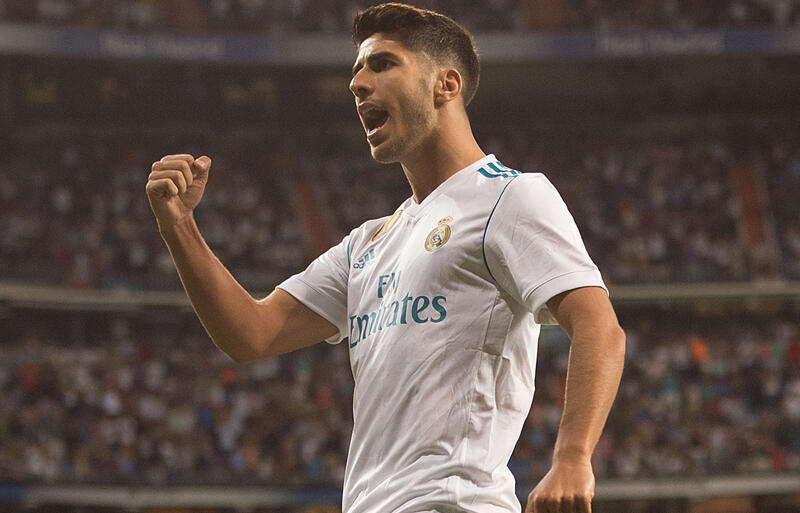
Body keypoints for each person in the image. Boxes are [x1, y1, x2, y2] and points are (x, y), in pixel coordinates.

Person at [145, 3, 625, 512]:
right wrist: (179, 225)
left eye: (382, 64)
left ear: (446, 85)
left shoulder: (510, 197)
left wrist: (573, 457)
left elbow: (599, 325)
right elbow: (251, 334)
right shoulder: (368, 242)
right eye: (357, 70)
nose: (357, 83)